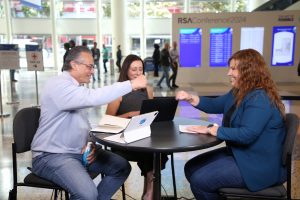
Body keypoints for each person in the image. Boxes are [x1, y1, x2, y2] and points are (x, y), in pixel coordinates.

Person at [31, 46, 148, 200]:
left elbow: (82, 124)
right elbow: (93, 97)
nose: (92, 71)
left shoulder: (75, 88)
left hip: (78, 152)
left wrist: (90, 144)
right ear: (74, 65)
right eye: (90, 66)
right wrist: (130, 85)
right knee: (87, 194)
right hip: (52, 156)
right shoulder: (58, 85)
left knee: (121, 167)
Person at [176, 49, 286, 200]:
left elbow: (247, 134)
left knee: (199, 181)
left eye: (233, 69)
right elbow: (215, 104)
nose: (229, 73)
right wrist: (190, 98)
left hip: (258, 165)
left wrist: (213, 130)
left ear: (249, 71)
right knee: (191, 168)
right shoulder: (240, 91)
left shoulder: (259, 98)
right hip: (241, 154)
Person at [106, 54, 168, 200]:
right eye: (134, 69)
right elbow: (107, 121)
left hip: (143, 135)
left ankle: (149, 192)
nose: (138, 73)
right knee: (150, 153)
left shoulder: (148, 89)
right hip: (123, 141)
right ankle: (149, 193)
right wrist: (129, 114)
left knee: (158, 152)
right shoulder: (118, 91)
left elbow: (151, 113)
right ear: (126, 70)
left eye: (140, 69)